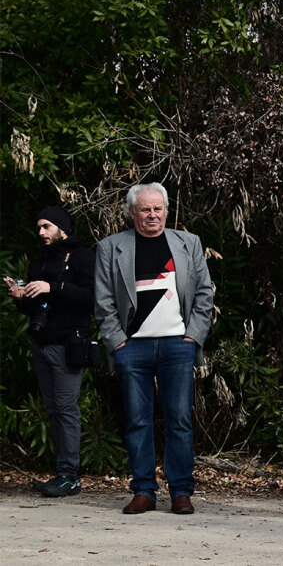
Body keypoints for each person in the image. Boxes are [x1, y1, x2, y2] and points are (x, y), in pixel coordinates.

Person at [94, 182, 213, 515]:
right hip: (131, 348)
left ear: (166, 209)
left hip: (178, 345)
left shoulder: (188, 243)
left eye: (158, 208)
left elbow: (204, 293)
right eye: (145, 209)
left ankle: (181, 492)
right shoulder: (111, 247)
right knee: (137, 421)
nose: (152, 215)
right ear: (132, 212)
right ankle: (144, 490)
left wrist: (193, 337)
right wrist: (117, 342)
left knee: (179, 420)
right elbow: (103, 302)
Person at [4, 207, 95, 498]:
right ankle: (62, 474)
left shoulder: (82, 257)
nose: (41, 232)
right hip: (42, 343)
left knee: (67, 410)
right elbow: (37, 307)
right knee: (55, 410)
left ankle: (70, 477)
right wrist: (21, 298)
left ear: (62, 227)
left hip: (69, 345)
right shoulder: (40, 261)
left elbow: (91, 298)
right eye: (38, 227)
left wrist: (52, 287)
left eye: (46, 226)